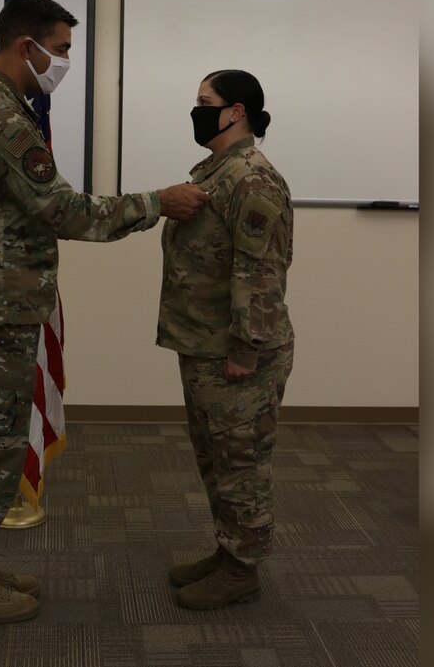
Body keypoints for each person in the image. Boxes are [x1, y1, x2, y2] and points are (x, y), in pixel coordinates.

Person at [0, 0, 208, 624]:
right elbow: (64, 211)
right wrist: (156, 201)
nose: (64, 61)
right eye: (62, 49)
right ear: (27, 46)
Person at [156, 69, 294, 610]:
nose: (196, 110)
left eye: (203, 102)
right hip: (205, 344)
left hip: (238, 352)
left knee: (241, 463)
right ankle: (228, 549)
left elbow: (260, 272)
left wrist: (245, 348)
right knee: (215, 458)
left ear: (235, 111)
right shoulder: (217, 170)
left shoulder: (251, 179)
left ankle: (243, 570)